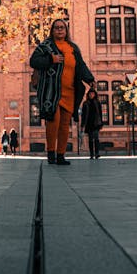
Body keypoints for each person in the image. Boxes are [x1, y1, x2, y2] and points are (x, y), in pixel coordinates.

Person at [30, 18, 94, 165]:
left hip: (69, 91)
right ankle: (51, 153)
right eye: (56, 28)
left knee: (65, 124)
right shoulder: (45, 46)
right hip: (51, 92)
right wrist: (51, 59)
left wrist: (89, 79)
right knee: (53, 121)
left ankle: (61, 155)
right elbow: (33, 61)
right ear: (52, 30)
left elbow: (81, 66)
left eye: (62, 28)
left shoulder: (73, 48)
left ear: (66, 30)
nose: (59, 30)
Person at [81, 88, 103, 159]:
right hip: (89, 123)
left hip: (96, 123)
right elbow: (83, 115)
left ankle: (97, 153)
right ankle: (91, 154)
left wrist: (101, 122)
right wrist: (82, 124)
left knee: (96, 138)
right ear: (88, 95)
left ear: (95, 94)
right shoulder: (85, 103)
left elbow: (100, 113)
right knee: (90, 139)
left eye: (92, 94)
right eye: (90, 94)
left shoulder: (97, 102)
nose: (91, 95)